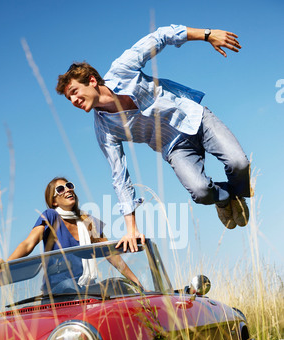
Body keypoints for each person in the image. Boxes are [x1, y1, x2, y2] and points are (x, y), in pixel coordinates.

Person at [56, 25, 252, 251]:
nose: (73, 101)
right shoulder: (105, 129)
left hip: (195, 118)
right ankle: (224, 197)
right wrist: (131, 228)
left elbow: (161, 36)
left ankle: (238, 195)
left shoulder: (122, 69)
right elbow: (119, 176)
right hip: (174, 147)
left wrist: (207, 35)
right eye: (69, 99)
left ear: (91, 81)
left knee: (239, 163)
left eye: (74, 92)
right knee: (201, 192)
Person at [0, 177, 141, 292]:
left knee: (118, 286)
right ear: (54, 201)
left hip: (86, 289)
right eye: (60, 189)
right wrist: (6, 263)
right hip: (59, 291)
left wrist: (138, 283)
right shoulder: (50, 216)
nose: (68, 190)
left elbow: (111, 255)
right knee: (71, 286)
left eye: (69, 186)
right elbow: (29, 243)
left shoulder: (89, 221)